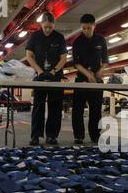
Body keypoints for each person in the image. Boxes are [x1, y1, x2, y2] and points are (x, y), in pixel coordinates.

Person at [26, 11, 68, 146]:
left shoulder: (59, 37)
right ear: (41, 24)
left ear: (54, 25)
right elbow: (29, 56)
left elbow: (63, 58)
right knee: (38, 107)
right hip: (39, 76)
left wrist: (55, 70)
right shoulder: (34, 37)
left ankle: (52, 136)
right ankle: (35, 136)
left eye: (51, 27)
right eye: (46, 27)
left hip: (55, 76)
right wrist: (39, 71)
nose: (48, 30)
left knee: (55, 107)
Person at [72, 14, 109, 145]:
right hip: (81, 79)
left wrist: (99, 71)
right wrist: (88, 75)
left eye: (88, 28)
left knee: (95, 109)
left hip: (96, 81)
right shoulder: (77, 42)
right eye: (83, 28)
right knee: (78, 109)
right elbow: (76, 64)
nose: (86, 31)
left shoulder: (101, 40)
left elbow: (105, 60)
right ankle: (79, 135)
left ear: (94, 26)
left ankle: (95, 135)